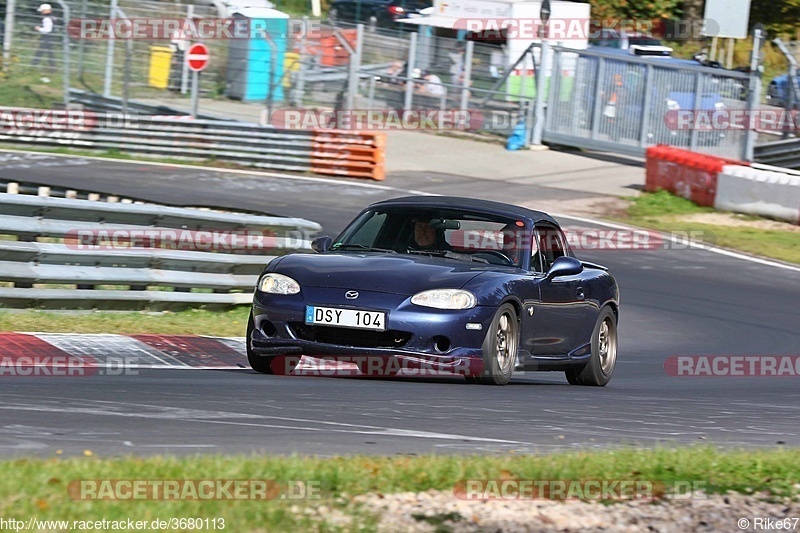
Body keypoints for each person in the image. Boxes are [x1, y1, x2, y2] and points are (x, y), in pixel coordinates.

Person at [32, 3, 56, 81]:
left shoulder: (47, 18)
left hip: (47, 38)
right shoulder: (53, 17)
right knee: (50, 54)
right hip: (52, 38)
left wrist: (39, 29)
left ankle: (33, 66)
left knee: (40, 52)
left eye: (42, 11)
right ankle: (53, 69)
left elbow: (47, 30)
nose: (41, 12)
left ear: (46, 10)